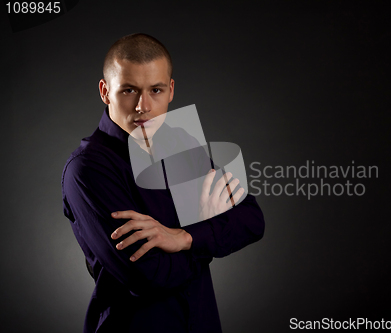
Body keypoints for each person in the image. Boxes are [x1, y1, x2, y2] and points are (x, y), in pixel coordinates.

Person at [61, 33, 265, 333]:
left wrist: (183, 238)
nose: (143, 106)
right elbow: (149, 276)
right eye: (129, 90)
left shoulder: (178, 143)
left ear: (170, 90)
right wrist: (206, 237)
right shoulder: (87, 169)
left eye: (155, 90)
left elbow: (251, 219)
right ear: (105, 92)